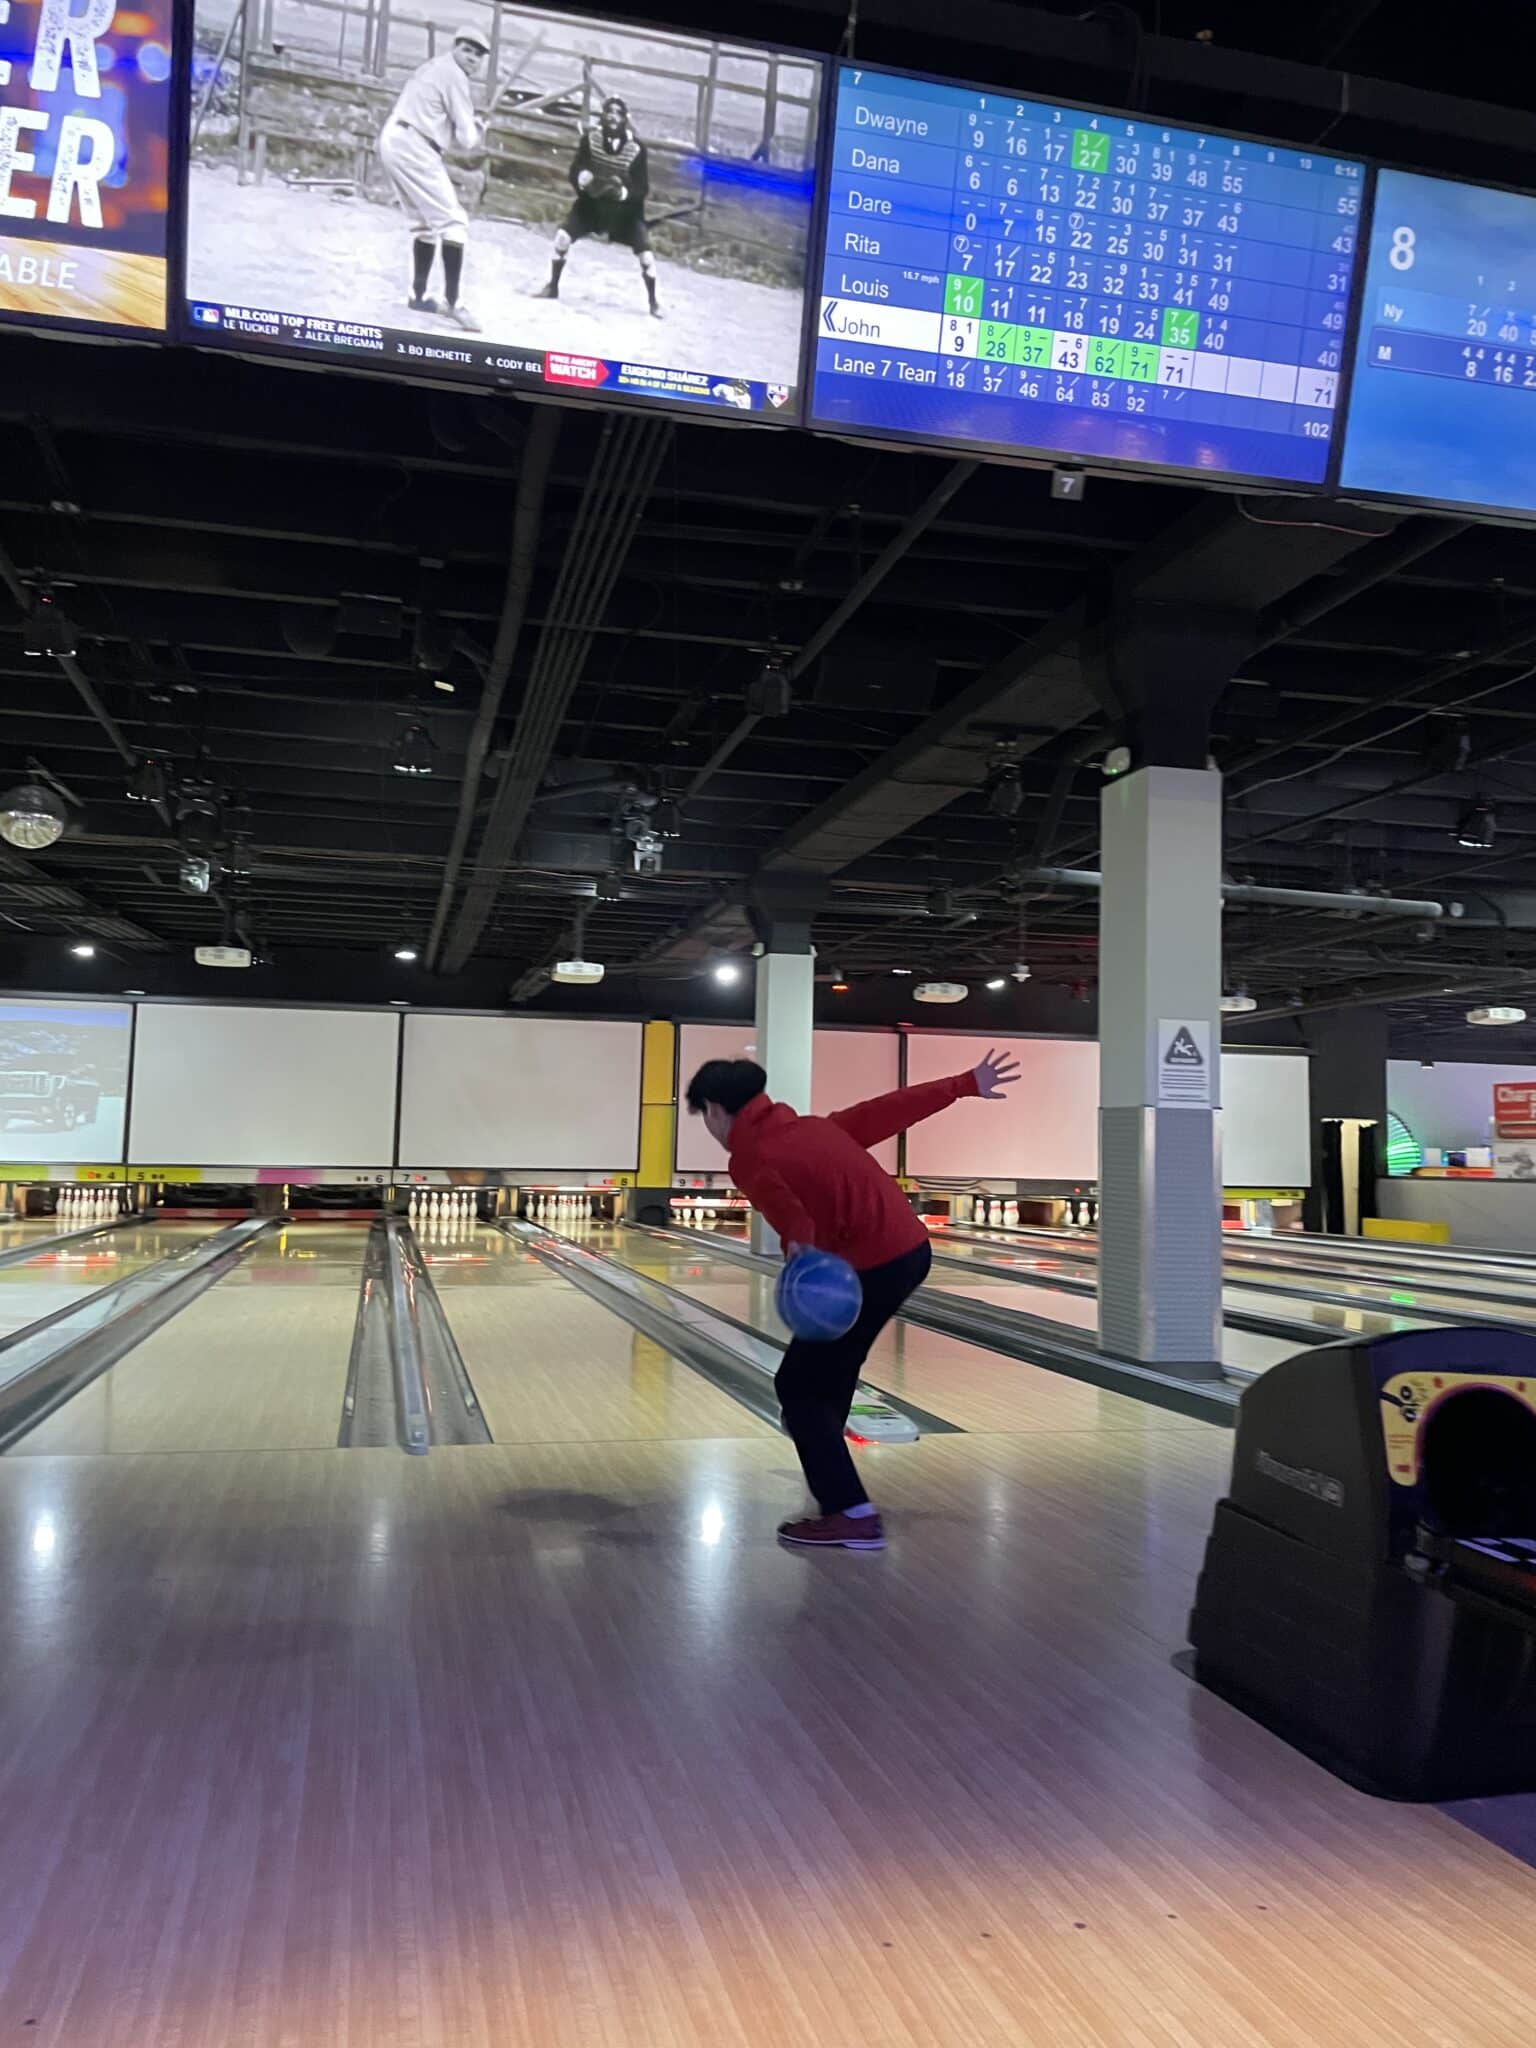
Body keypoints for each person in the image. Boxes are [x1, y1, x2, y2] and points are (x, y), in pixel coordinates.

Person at [685, 1047, 1021, 1550]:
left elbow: (790, 1214)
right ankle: (829, 1469)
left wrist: (799, 1248)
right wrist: (962, 1082)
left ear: (714, 1109)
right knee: (827, 1374)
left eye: (703, 1116)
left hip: (872, 1266)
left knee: (797, 1388)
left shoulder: (749, 1158)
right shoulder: (814, 1128)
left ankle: (851, 1512)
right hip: (910, 1251)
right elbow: (887, 1111)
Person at [378, 27, 490, 333]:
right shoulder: (454, 75)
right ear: (456, 48)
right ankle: (454, 303)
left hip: (395, 138)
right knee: (455, 223)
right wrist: (478, 127)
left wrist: (466, 123)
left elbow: (440, 117)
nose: (473, 59)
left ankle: (418, 296)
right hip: (415, 145)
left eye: (479, 55)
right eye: (468, 50)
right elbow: (467, 140)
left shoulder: (435, 66)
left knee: (423, 223)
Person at [535, 94, 662, 318]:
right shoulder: (590, 141)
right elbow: (575, 170)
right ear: (602, 116)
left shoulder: (636, 149)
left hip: (624, 213)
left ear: (625, 119)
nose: (612, 117)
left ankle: (653, 301)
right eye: (608, 112)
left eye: (618, 114)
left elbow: (642, 188)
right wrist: (580, 178)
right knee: (562, 238)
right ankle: (552, 286)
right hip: (591, 206)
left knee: (646, 256)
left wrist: (623, 193)